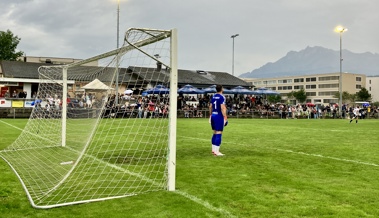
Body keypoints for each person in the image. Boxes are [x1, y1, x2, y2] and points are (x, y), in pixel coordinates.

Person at [209, 84, 228, 156]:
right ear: (222, 89)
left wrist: (210, 115)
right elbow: (223, 108)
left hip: (213, 115)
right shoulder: (222, 97)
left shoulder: (213, 96)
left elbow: (210, 106)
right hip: (218, 116)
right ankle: (217, 151)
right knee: (219, 132)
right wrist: (225, 117)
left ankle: (213, 150)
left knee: (214, 132)